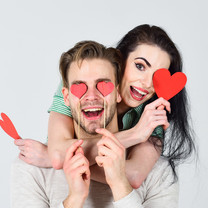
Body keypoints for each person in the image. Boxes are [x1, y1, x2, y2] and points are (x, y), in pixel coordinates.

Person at [11, 41, 178, 208]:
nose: (91, 96)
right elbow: (56, 157)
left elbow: (133, 176)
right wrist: (74, 200)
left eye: (103, 86)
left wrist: (119, 185)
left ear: (118, 93)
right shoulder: (33, 167)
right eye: (79, 88)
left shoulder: (159, 172)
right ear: (65, 97)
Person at [15, 24, 196, 188]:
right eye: (140, 66)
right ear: (121, 60)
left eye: (158, 76)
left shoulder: (153, 118)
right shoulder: (79, 86)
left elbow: (133, 175)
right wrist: (134, 135)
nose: (147, 83)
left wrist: (63, 159)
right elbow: (57, 155)